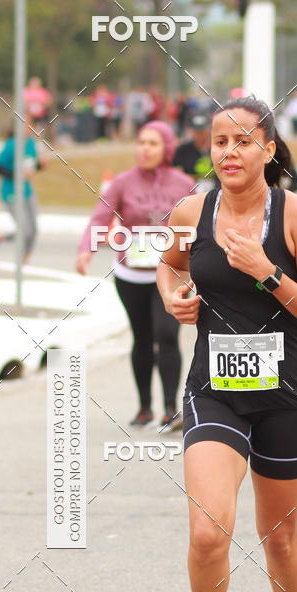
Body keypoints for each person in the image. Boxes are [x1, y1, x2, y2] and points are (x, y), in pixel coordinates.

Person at [156, 95, 297, 592]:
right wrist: (174, 295)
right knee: (208, 532)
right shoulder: (190, 210)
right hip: (215, 391)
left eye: (242, 141)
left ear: (269, 149)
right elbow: (168, 264)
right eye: (218, 142)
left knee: (278, 534)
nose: (228, 153)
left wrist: (267, 272)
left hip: (287, 396)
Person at [76, 121, 194, 429]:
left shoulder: (183, 183)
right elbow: (101, 216)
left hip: (170, 272)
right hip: (132, 275)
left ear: (166, 148)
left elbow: (200, 221)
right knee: (142, 339)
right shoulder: (122, 183)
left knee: (167, 335)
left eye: (153, 143)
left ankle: (171, 408)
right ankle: (144, 407)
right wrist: (87, 248)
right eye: (141, 142)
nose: (145, 149)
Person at [0, 119, 45, 262]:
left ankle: (3, 242)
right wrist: (17, 175)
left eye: (31, 125)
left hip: (27, 192)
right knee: (25, 230)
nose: (29, 128)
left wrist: (40, 165)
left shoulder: (31, 143)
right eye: (26, 125)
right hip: (11, 192)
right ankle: (21, 261)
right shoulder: (11, 144)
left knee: (33, 230)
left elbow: (31, 166)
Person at [172, 112, 219, 193]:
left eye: (203, 131)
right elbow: (176, 173)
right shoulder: (182, 150)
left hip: (215, 191)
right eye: (197, 132)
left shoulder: (217, 148)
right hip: (190, 191)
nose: (200, 135)